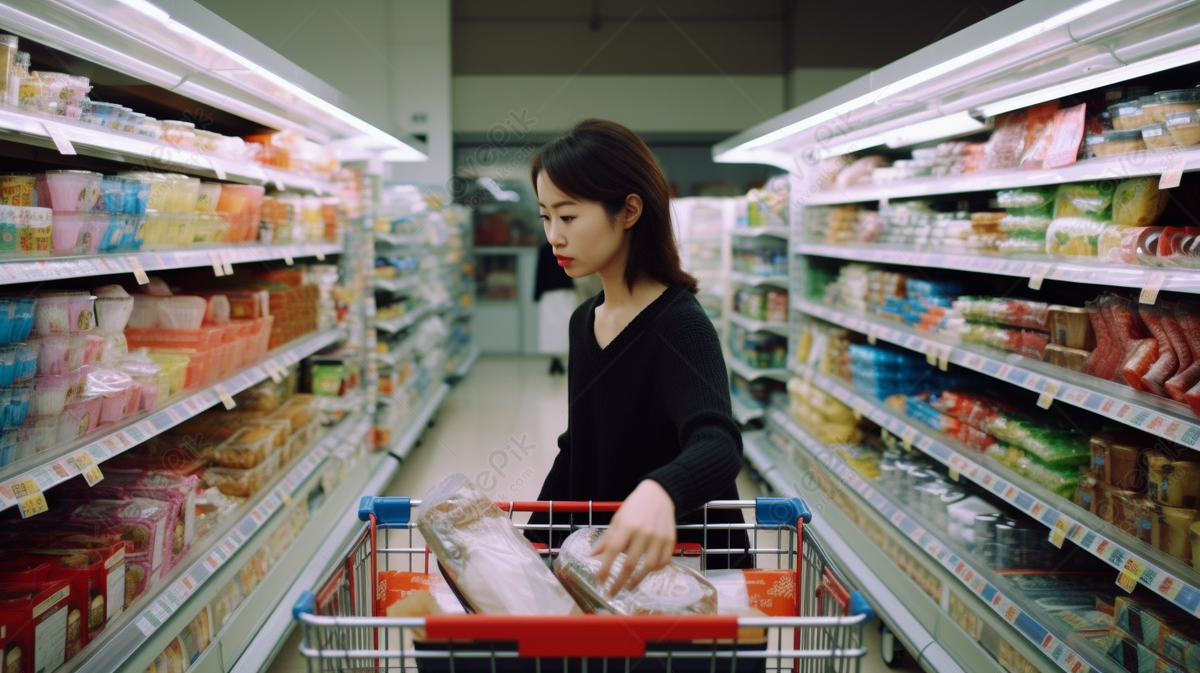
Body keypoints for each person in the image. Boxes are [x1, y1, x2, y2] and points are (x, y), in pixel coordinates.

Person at [527, 118, 750, 597]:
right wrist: (527, 546)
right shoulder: (583, 320)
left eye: (567, 217)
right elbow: (579, 445)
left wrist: (662, 490)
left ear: (628, 211)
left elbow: (718, 441)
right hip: (615, 568)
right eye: (545, 217)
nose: (553, 237)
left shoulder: (680, 324)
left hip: (692, 573)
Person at [534, 240, 576, 375]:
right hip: (564, 291)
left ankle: (555, 359)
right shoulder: (568, 246)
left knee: (552, 326)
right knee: (563, 325)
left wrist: (537, 293)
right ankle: (558, 359)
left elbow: (540, 271)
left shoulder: (545, 249)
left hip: (550, 292)